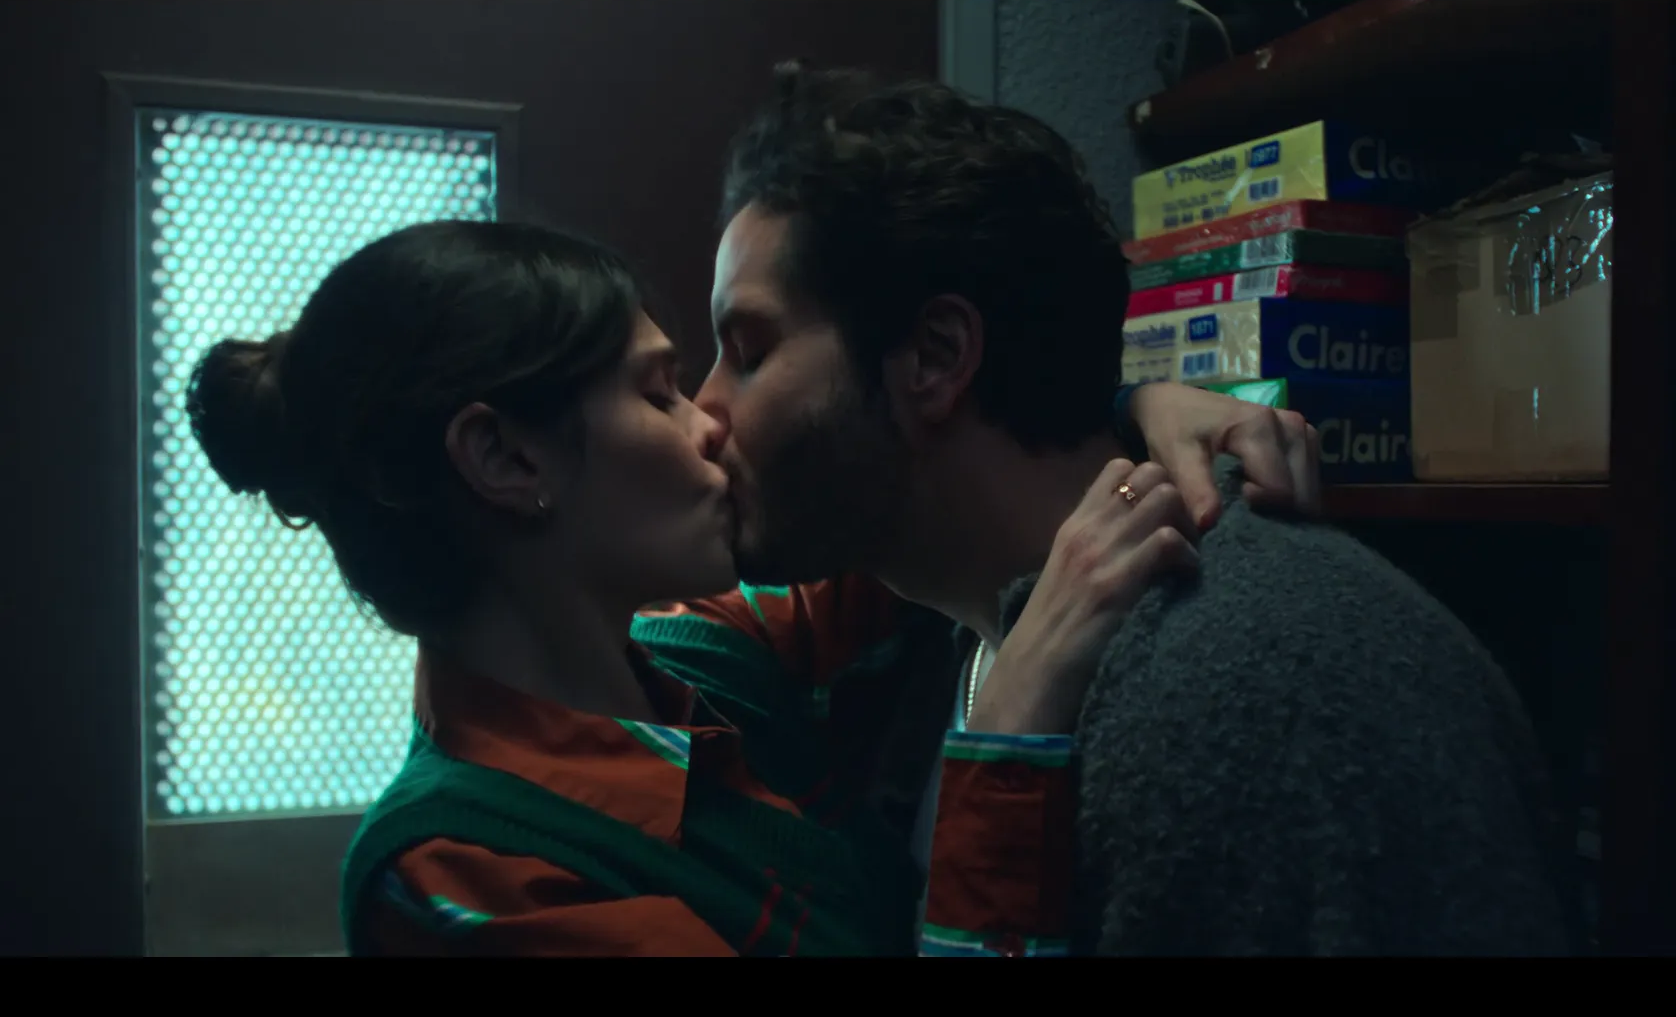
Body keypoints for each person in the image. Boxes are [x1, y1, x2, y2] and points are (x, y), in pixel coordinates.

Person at [186, 219, 1319, 956]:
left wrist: (1130, 412)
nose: (711, 423)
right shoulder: (468, 874)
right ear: (507, 458)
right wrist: (1011, 728)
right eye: (659, 394)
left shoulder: (706, 657)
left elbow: (943, 510)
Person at [641, 64, 1570, 956]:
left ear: (935, 356)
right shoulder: (935, 627)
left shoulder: (1261, 697)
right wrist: (1135, 404)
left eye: (749, 351)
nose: (705, 412)